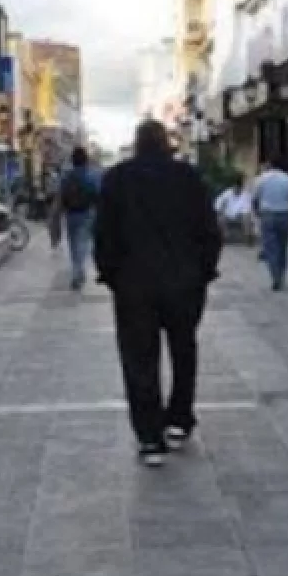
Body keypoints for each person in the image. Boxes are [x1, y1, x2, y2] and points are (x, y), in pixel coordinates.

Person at [93, 120, 222, 467]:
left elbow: (104, 232)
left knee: (139, 358)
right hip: (184, 282)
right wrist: (204, 271)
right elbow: (209, 229)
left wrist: (111, 274)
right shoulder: (188, 177)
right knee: (184, 349)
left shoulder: (118, 179)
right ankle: (179, 418)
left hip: (134, 284)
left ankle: (150, 437)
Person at [250, 159, 288, 290]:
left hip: (267, 215)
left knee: (270, 247)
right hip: (284, 215)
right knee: (282, 247)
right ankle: (281, 274)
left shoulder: (261, 179)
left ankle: (275, 275)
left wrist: (256, 213)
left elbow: (254, 199)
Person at [58, 147, 103, 290]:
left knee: (73, 245)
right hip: (87, 214)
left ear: (73, 160)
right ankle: (78, 272)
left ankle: (78, 271)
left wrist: (58, 214)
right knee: (83, 243)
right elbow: (98, 195)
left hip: (71, 214)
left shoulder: (66, 176)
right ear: (86, 160)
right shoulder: (92, 175)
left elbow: (61, 196)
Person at [213, 174, 253, 246]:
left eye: (239, 187)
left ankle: (247, 236)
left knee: (247, 216)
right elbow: (217, 205)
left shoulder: (246, 195)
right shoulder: (227, 193)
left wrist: (245, 214)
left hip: (240, 215)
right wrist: (221, 211)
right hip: (227, 214)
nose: (237, 189)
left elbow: (247, 209)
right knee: (220, 217)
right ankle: (224, 236)